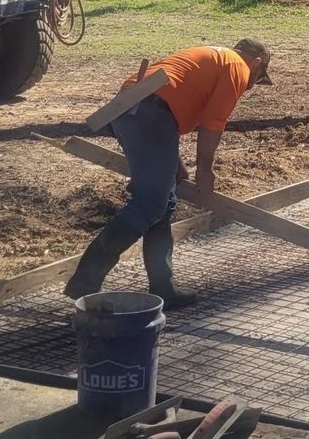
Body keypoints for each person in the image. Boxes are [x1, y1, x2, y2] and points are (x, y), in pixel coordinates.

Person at [65, 40, 274, 307]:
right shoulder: (237, 66)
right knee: (150, 203)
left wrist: (174, 162)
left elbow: (170, 96)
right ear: (256, 63)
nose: (249, 85)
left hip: (130, 107)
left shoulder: (213, 58)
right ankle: (86, 279)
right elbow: (212, 124)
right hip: (150, 111)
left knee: (164, 203)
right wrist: (205, 170)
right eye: (256, 79)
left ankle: (163, 287)